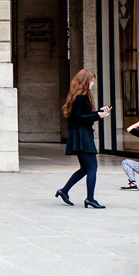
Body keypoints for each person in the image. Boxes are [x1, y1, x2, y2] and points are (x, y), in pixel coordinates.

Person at [55, 69, 112, 209]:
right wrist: (98, 116)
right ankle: (90, 199)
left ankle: (64, 191)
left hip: (81, 133)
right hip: (82, 135)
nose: (93, 83)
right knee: (92, 167)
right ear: (86, 81)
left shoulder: (80, 96)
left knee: (85, 168)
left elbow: (83, 116)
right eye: (92, 80)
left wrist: (98, 112)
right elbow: (77, 118)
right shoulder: (80, 97)